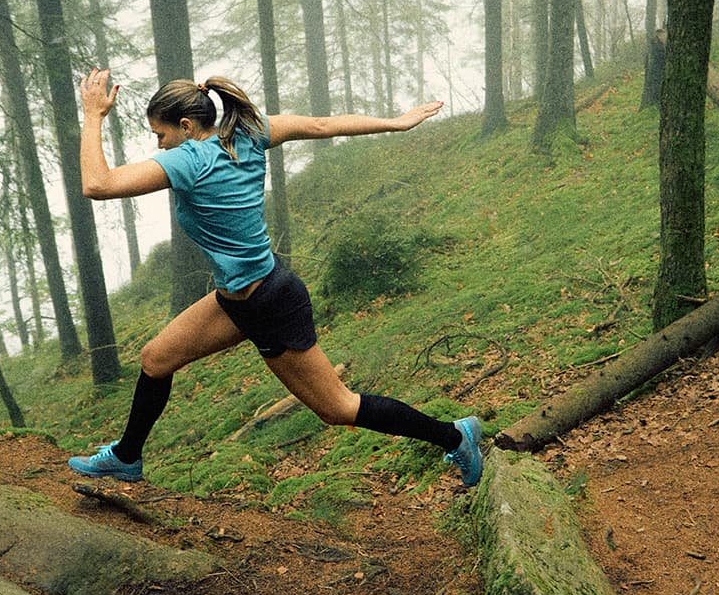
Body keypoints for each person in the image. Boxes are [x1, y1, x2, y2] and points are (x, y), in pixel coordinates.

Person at [65, 70, 483, 489]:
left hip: (269, 304)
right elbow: (322, 125)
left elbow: (97, 185)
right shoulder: (250, 131)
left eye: (160, 134)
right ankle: (126, 457)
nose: (158, 144)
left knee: (338, 408)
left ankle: (455, 435)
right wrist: (395, 122)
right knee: (156, 359)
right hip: (237, 301)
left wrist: (93, 114)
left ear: (187, 127)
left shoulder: (189, 159)